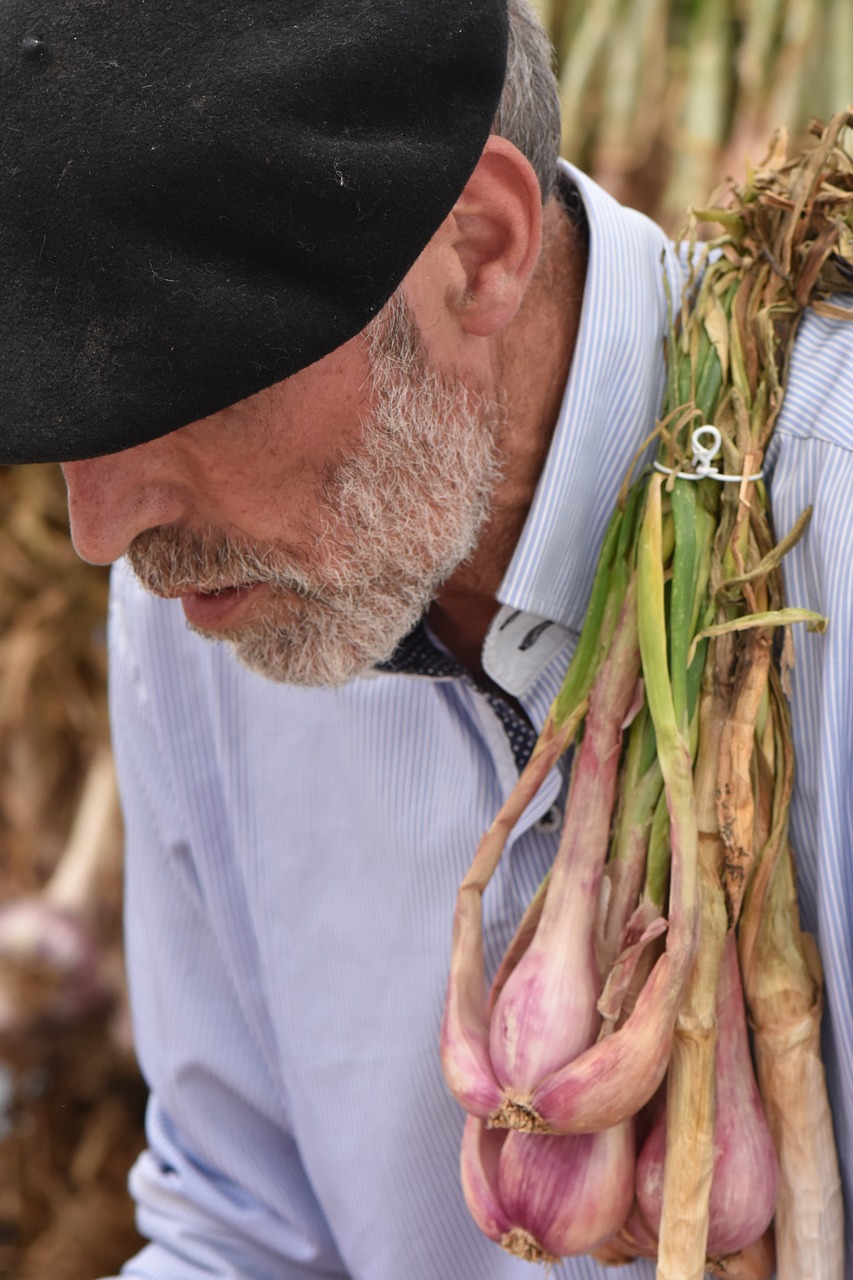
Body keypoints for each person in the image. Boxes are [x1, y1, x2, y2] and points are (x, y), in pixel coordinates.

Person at [2, 0, 852, 1276]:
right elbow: (244, 1224)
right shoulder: (190, 610)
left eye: (174, 392)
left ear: (479, 247)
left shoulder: (826, 510)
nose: (99, 529)